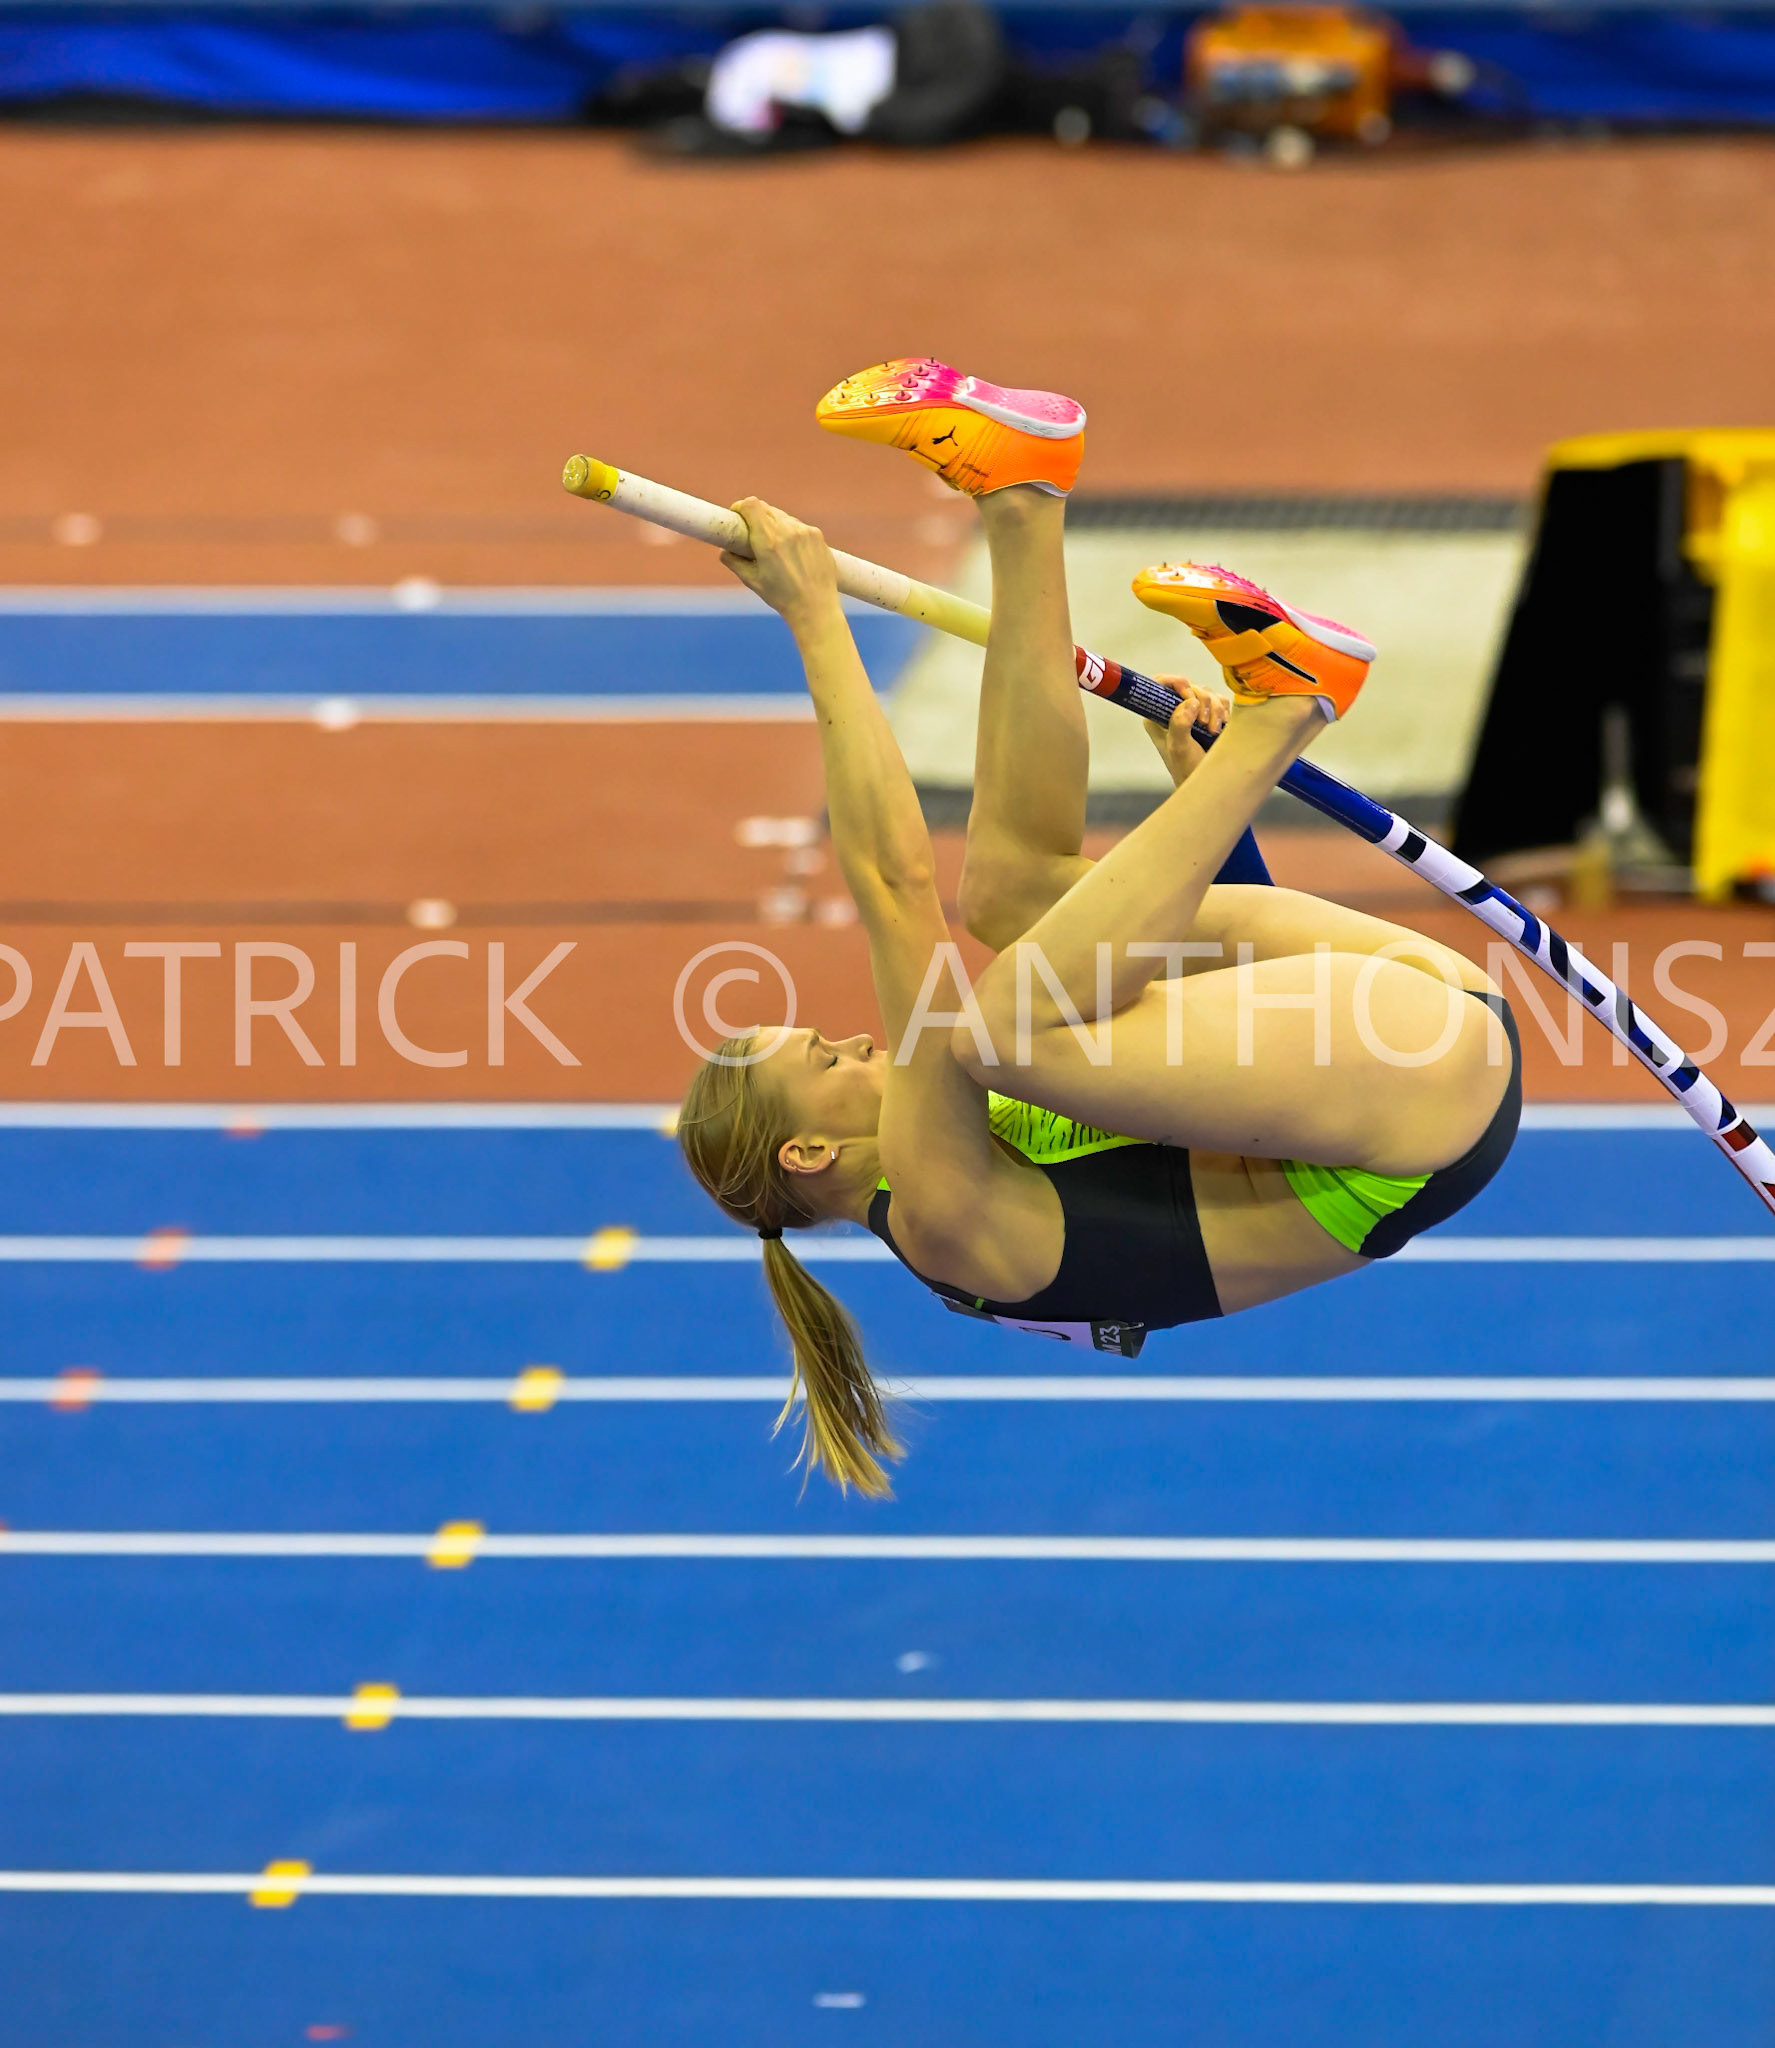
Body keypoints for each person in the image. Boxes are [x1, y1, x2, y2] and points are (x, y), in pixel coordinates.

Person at [680, 358, 1520, 1496]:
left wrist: (1205, 811)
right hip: (1425, 1099)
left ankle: (1020, 495)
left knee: (1010, 898)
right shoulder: (941, 1223)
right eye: (822, 1060)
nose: (854, 1042)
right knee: (988, 1025)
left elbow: (1245, 1060)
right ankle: (1287, 710)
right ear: (809, 1153)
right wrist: (813, 615)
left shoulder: (982, 1144)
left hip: (1381, 1032)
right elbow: (888, 882)